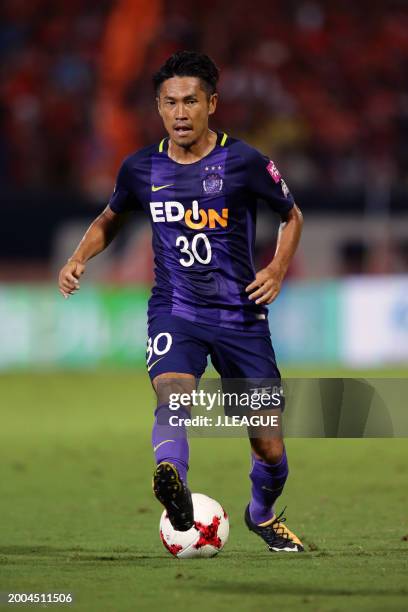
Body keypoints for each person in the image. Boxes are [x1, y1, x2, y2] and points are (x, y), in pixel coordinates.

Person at [58, 51, 304, 552]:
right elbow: (111, 217)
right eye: (170, 103)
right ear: (158, 107)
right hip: (177, 308)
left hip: (241, 316)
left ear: (211, 103)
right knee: (174, 395)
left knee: (269, 445)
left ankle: (260, 514)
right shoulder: (140, 168)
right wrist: (78, 256)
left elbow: (292, 214)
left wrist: (276, 268)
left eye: (191, 101)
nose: (181, 113)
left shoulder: (245, 162)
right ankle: (173, 480)